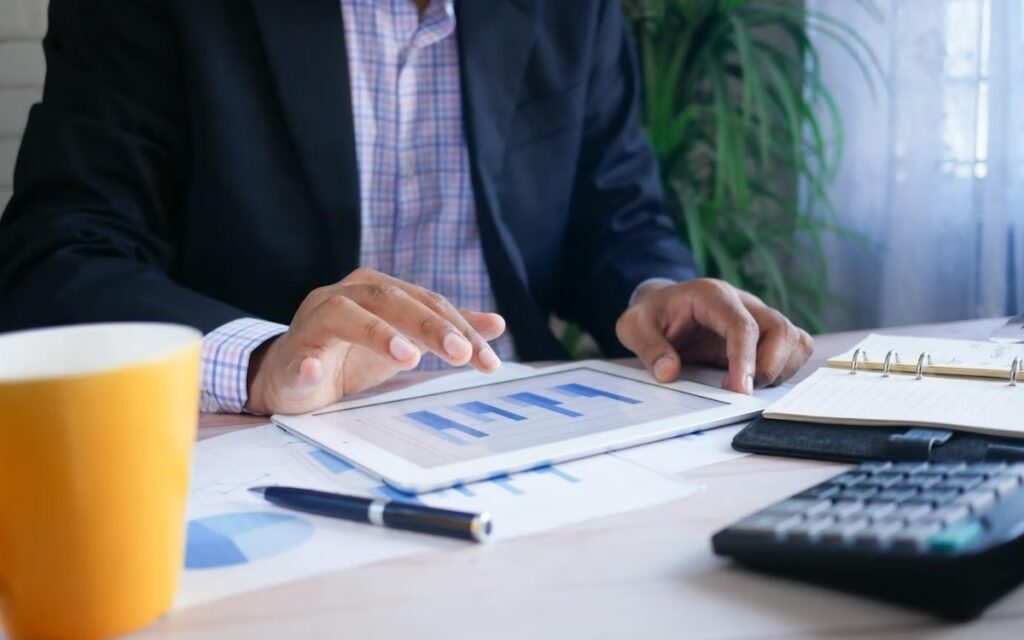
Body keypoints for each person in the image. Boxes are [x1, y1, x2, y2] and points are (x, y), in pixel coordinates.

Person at [0, 0, 812, 415]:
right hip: (260, 445)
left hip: (519, 431)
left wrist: (656, 293)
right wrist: (265, 362)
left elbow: (615, 216)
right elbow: (58, 258)